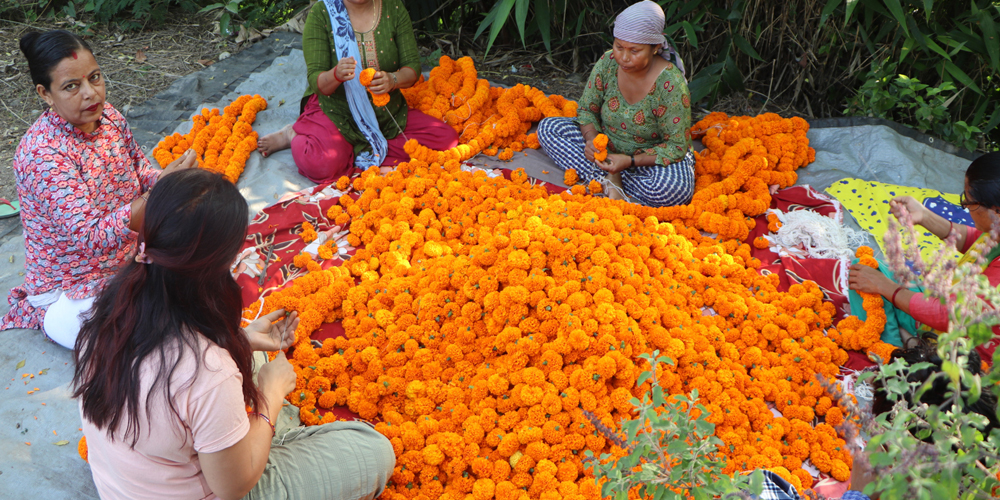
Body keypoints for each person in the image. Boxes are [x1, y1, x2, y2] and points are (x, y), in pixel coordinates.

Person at [73, 168, 395, 500]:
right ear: (214, 268)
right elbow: (232, 488)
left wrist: (241, 339)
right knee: (373, 449)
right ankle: (264, 435)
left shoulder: (107, 313)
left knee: (250, 357)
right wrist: (270, 395)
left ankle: (249, 432)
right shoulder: (206, 370)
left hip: (129, 486)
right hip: (223, 488)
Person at [0, 30, 196, 348]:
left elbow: (140, 172)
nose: (91, 93)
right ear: (45, 94)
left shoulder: (110, 119)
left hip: (128, 255)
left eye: (94, 78)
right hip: (71, 288)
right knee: (140, 334)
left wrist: (170, 180)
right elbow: (92, 238)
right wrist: (156, 196)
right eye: (71, 87)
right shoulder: (42, 154)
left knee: (202, 250)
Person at [257, 0, 458, 183]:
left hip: (385, 112)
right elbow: (317, 82)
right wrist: (336, 74)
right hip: (336, 111)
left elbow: (412, 69)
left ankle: (355, 149)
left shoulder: (393, 8)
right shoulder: (323, 13)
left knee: (446, 140)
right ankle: (292, 134)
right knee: (322, 164)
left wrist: (392, 80)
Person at [536, 0, 694, 207]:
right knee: (548, 128)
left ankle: (610, 176)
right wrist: (591, 140)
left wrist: (630, 161)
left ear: (655, 47)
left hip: (650, 157)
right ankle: (612, 175)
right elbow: (586, 110)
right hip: (607, 146)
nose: (624, 58)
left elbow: (676, 145)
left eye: (634, 51)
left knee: (674, 191)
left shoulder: (670, 84)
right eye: (619, 47)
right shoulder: (608, 62)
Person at [848, 151, 1000, 364]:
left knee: (868, 281)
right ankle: (906, 341)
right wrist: (924, 216)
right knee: (863, 270)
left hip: (970, 353)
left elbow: (945, 315)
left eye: (970, 203)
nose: (965, 207)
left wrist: (885, 287)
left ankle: (894, 354)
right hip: (948, 307)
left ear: (996, 210)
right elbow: (976, 240)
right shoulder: (996, 230)